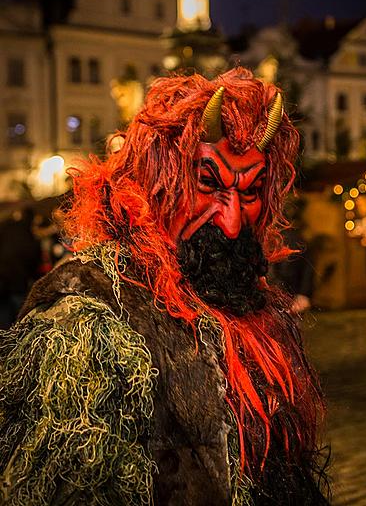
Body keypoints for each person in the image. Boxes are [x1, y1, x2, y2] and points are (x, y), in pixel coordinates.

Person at [0, 68, 330, 505]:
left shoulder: (252, 308)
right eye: (207, 183)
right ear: (155, 183)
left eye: (249, 191)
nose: (231, 224)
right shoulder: (89, 322)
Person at [0, 207, 41, 329]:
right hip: (19, 283)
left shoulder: (5, 227)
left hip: (2, 280)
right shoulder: (30, 238)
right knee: (19, 317)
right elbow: (34, 262)